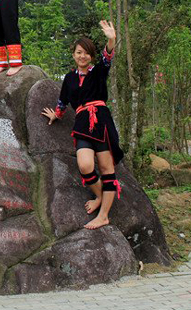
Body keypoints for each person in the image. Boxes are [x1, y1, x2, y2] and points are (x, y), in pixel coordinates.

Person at [40, 20, 122, 230]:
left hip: (101, 120)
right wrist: (56, 115)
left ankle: (103, 215)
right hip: (82, 122)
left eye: (86, 53)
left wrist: (111, 38)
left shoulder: (99, 71)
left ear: (91, 56)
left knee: (106, 168)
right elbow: (63, 101)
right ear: (74, 55)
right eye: (78, 52)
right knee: (85, 165)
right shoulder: (69, 78)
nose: (82, 56)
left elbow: (108, 56)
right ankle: (100, 196)